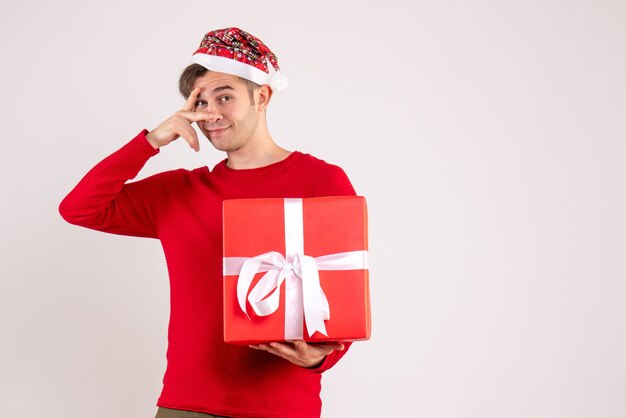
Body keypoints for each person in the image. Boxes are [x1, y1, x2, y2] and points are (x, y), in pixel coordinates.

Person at [59, 27, 356, 418]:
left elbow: (345, 292)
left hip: (281, 405)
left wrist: (318, 358)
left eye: (225, 97)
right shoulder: (179, 192)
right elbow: (80, 208)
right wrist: (150, 141)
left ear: (262, 96)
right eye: (198, 102)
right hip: (187, 404)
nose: (210, 113)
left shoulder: (320, 181)